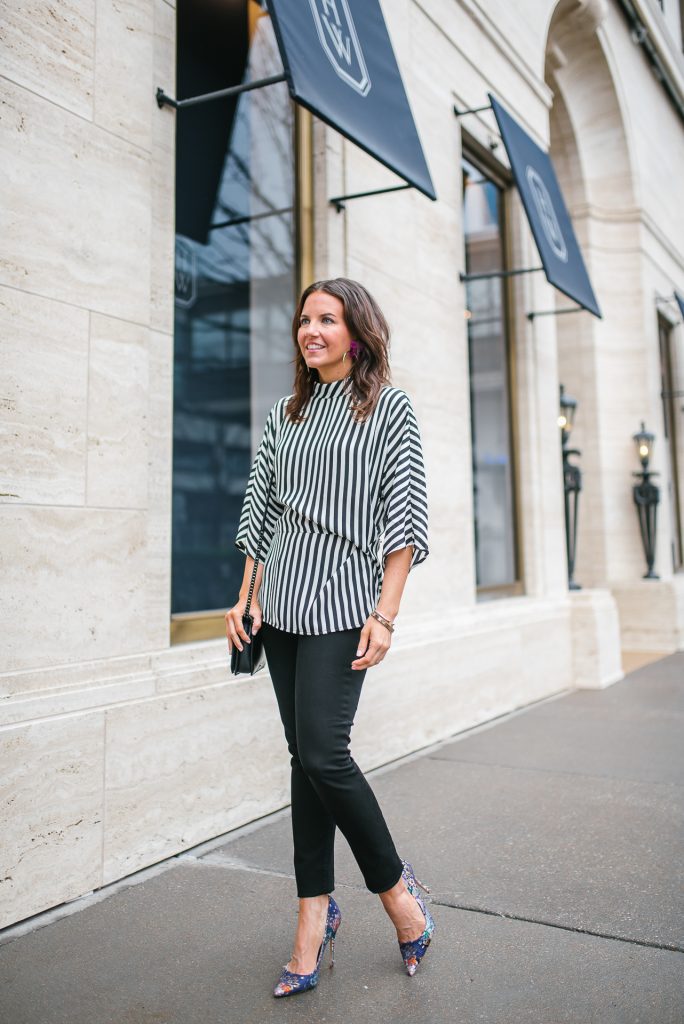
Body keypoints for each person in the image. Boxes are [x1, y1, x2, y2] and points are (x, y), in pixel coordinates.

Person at [225, 277, 434, 997]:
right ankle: (314, 914)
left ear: (356, 332)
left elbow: (405, 521)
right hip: (280, 603)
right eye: (304, 319)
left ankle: (395, 892)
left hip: (345, 603)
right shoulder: (285, 413)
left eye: (326, 319)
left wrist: (386, 614)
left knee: (324, 750)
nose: (310, 330)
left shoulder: (388, 408)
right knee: (303, 758)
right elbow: (260, 511)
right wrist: (246, 597)